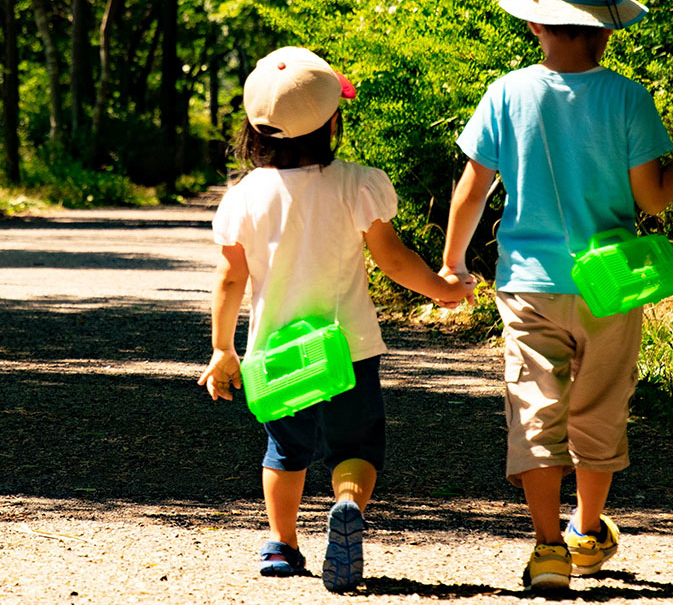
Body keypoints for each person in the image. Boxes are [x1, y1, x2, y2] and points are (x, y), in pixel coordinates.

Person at [441, 0, 673, 591]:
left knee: (538, 412)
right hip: (612, 287)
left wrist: (454, 263)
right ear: (608, 29)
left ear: (535, 21)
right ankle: (588, 529)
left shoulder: (507, 93)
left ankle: (548, 551)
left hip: (528, 286)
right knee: (598, 409)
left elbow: (471, 190)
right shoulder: (626, 99)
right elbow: (652, 198)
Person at [198, 46, 473, 593]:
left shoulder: (244, 196)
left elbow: (230, 280)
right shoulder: (358, 182)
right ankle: (346, 504)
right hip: (349, 348)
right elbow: (393, 259)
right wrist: (441, 289)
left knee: (285, 449)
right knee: (356, 448)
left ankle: (283, 545)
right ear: (331, 121)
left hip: (275, 352)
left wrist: (222, 349)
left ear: (255, 129)